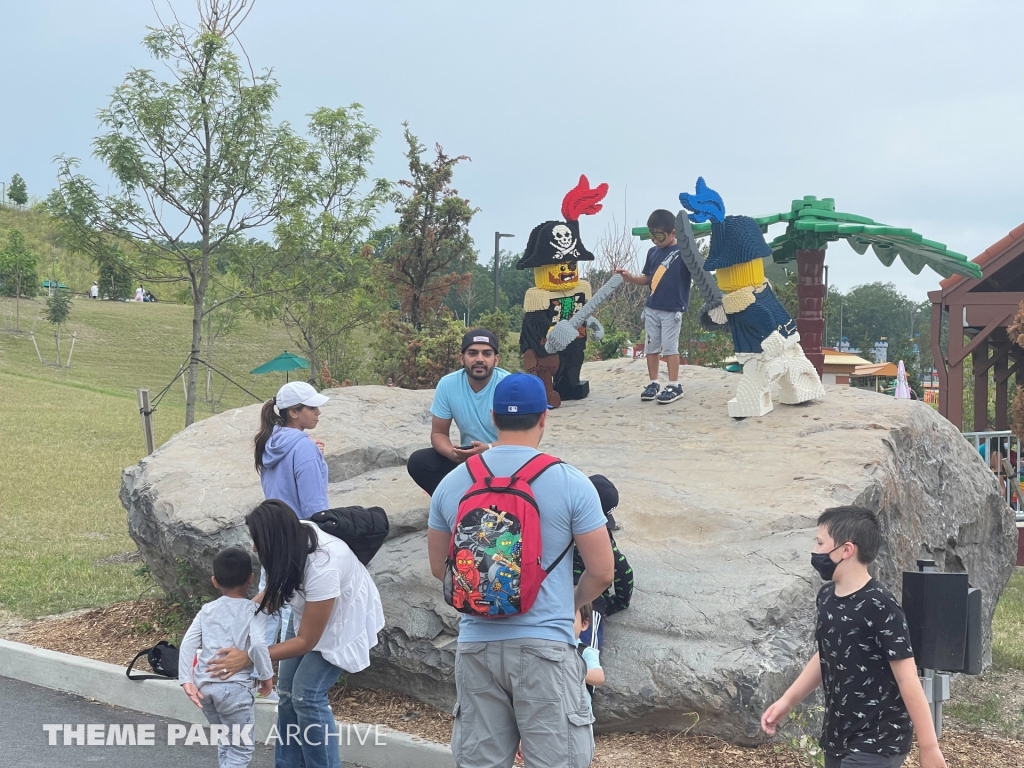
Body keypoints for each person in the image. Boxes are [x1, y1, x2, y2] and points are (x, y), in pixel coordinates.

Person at [426, 372, 615, 768]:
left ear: (493, 417)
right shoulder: (571, 482)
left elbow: (438, 567)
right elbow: (602, 572)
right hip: (545, 648)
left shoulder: (452, 483)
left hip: (476, 646)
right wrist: (569, 603)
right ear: (543, 417)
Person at [761, 506, 947, 768]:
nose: (815, 551)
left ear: (846, 550)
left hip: (879, 740)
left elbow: (907, 678)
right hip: (838, 737)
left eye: (820, 543)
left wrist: (929, 747)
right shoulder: (826, 598)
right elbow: (827, 653)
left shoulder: (881, 605)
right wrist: (787, 701)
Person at [209, 500, 385, 768]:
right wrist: (234, 620)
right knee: (287, 694)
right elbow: (275, 592)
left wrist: (249, 657)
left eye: (257, 542)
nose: (254, 548)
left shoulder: (324, 564)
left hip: (343, 620)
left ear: (273, 539)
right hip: (309, 610)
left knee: (307, 696)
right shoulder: (288, 540)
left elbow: (306, 641)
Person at [178, 547, 273, 768]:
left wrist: (186, 679)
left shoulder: (207, 610)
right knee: (241, 749)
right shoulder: (255, 611)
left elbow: (188, 643)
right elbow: (259, 645)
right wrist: (266, 675)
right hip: (235, 690)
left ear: (214, 581)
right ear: (251, 579)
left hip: (205, 688)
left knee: (226, 740)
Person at [254, 381, 330, 645]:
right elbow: (314, 505)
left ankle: (255, 662)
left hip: (272, 531)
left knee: (268, 600)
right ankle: (286, 667)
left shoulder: (269, 442)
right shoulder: (303, 447)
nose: (318, 412)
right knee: (294, 608)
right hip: (299, 535)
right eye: (312, 408)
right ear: (294, 412)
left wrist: (315, 456)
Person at [406, 328, 510, 495]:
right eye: (472, 353)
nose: (479, 359)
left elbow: (521, 440)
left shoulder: (509, 385)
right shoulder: (448, 384)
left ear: (496, 360)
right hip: (468, 461)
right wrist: (452, 453)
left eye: (487, 354)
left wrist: (488, 448)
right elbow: (439, 433)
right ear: (462, 358)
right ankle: (458, 504)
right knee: (419, 462)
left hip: (503, 458)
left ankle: (485, 497)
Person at [614, 209, 692, 405]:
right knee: (651, 347)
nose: (656, 241)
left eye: (660, 236)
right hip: (652, 307)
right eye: (652, 236)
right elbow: (648, 278)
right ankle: (653, 382)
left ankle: (674, 384)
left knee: (670, 348)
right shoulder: (653, 252)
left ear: (673, 232)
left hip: (672, 309)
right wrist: (631, 278)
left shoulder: (684, 252)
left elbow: (699, 270)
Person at [573, 474, 634, 650]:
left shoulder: (559, 521)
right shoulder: (600, 537)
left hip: (553, 588)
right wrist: (620, 602)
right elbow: (623, 570)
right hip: (588, 596)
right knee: (587, 649)